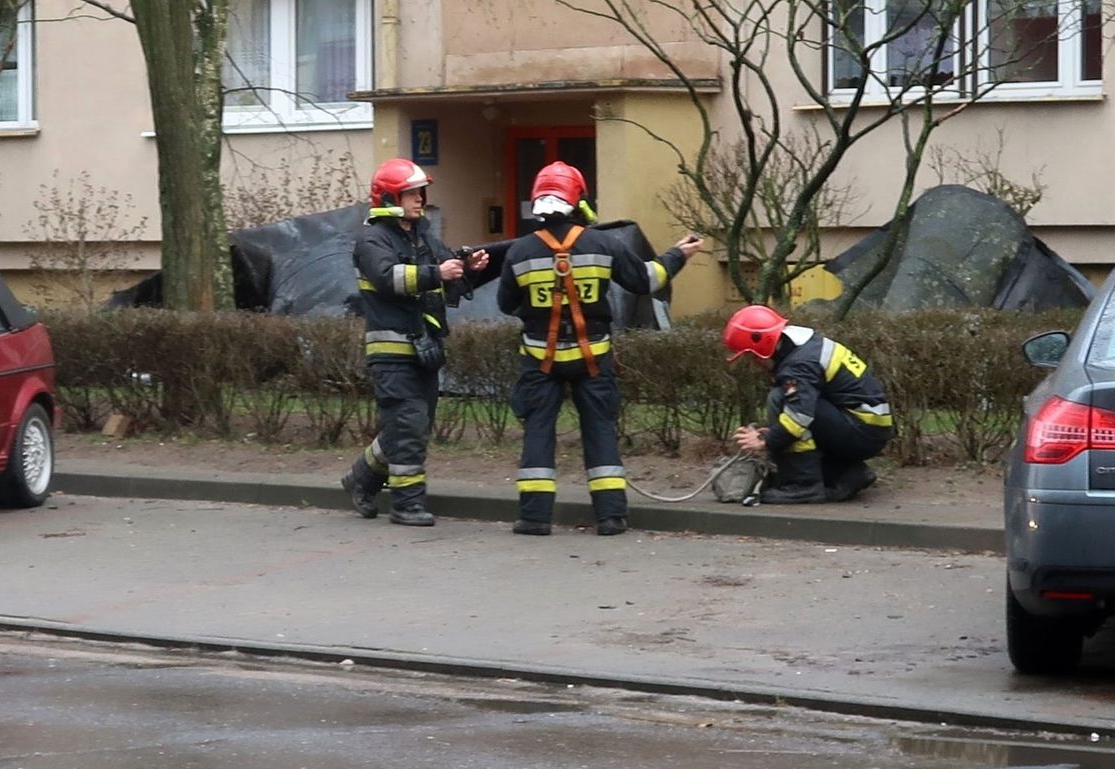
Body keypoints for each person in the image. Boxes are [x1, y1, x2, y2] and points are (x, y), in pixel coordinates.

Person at [497, 161, 703, 536]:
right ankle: (610, 517)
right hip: (594, 359)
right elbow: (646, 280)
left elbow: (506, 304)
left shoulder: (519, 252)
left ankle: (534, 518)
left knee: (538, 432)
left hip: (540, 361)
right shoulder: (605, 243)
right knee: (600, 431)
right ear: (578, 200)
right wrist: (677, 255)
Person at [342, 157, 489, 526]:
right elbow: (389, 277)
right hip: (392, 352)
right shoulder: (371, 239)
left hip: (425, 348)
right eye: (412, 192)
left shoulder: (422, 236)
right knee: (407, 424)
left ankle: (361, 478)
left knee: (411, 426)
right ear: (391, 196)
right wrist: (434, 272)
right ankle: (407, 503)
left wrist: (466, 266)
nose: (420, 199)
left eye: (421, 192)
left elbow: (445, 271)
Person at [723, 305, 894, 504]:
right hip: (867, 427)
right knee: (788, 417)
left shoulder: (798, 365)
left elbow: (799, 417)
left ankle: (803, 486)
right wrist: (776, 432)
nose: (753, 363)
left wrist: (765, 441)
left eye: (751, 356)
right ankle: (848, 474)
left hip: (861, 431)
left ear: (763, 344)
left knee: (779, 399)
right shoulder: (806, 347)